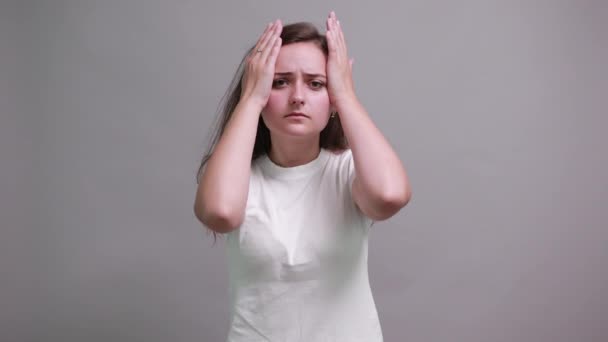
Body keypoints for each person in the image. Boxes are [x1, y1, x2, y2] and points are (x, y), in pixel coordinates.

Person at [194, 11, 411, 341]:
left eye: (316, 83)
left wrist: (347, 96)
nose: (297, 96)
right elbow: (220, 212)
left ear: (332, 98)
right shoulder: (235, 175)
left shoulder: (349, 171)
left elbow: (389, 195)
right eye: (280, 82)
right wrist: (251, 99)